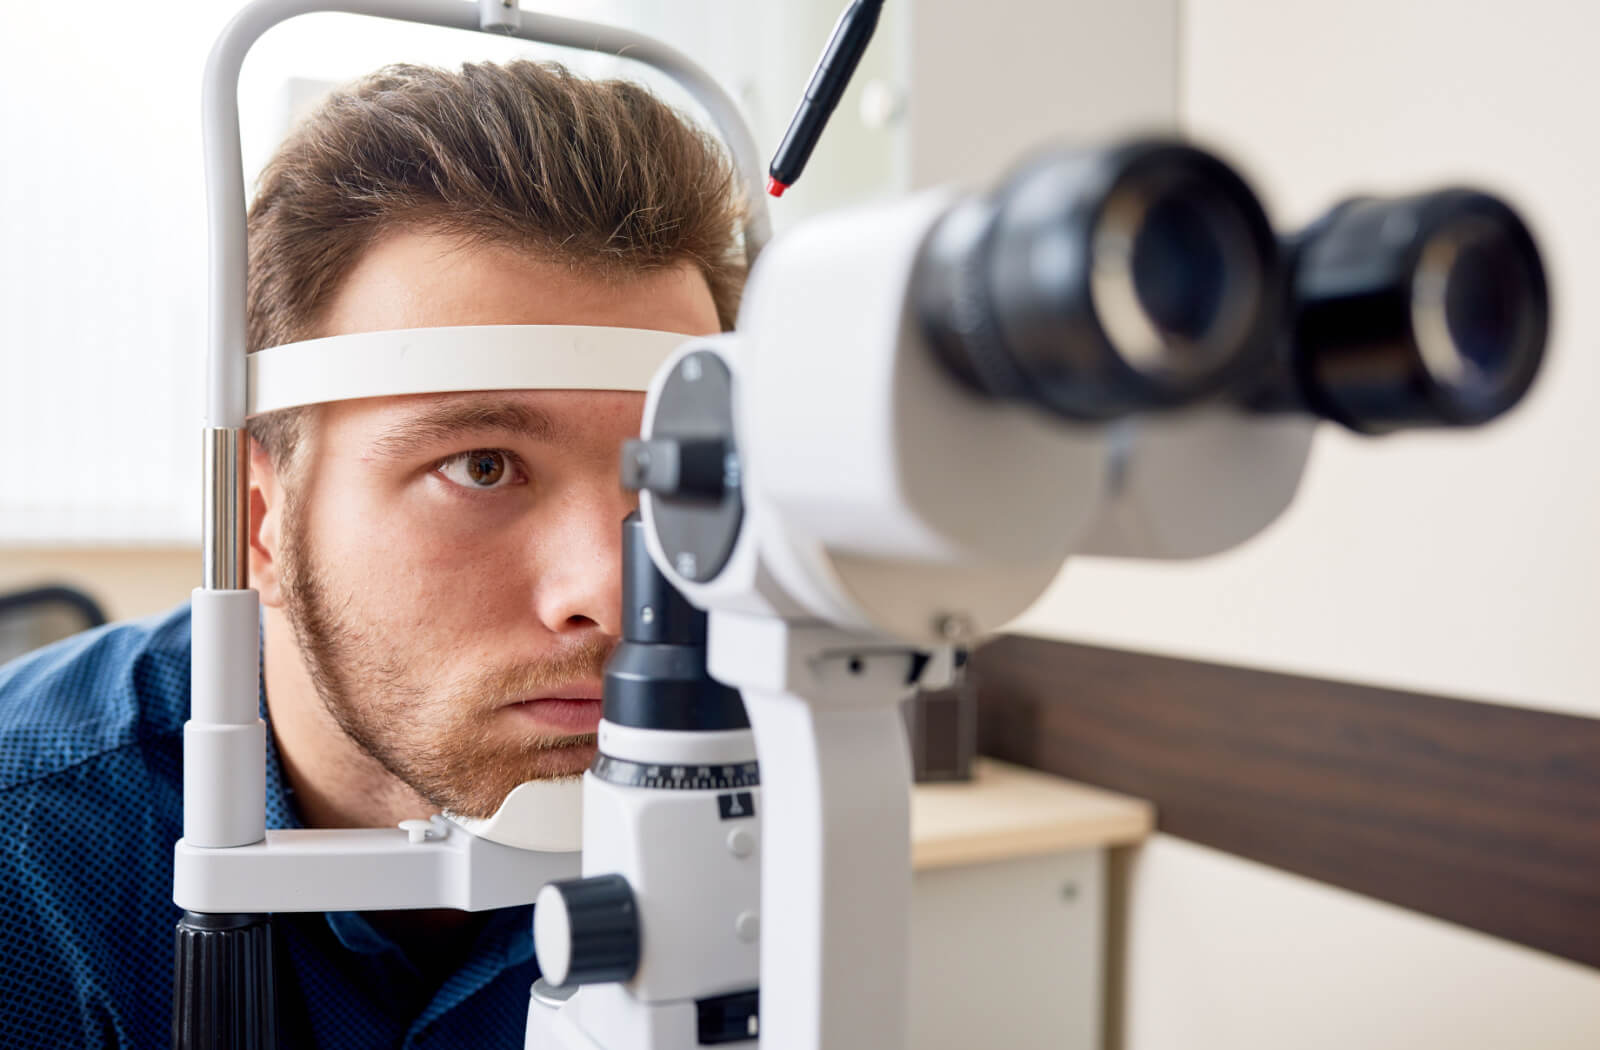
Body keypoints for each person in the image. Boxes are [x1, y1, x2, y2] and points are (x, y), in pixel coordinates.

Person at [0, 59, 747, 1049]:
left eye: (664, 481)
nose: (609, 594)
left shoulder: (761, 812)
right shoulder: (31, 861)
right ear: (259, 522)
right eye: (482, 466)